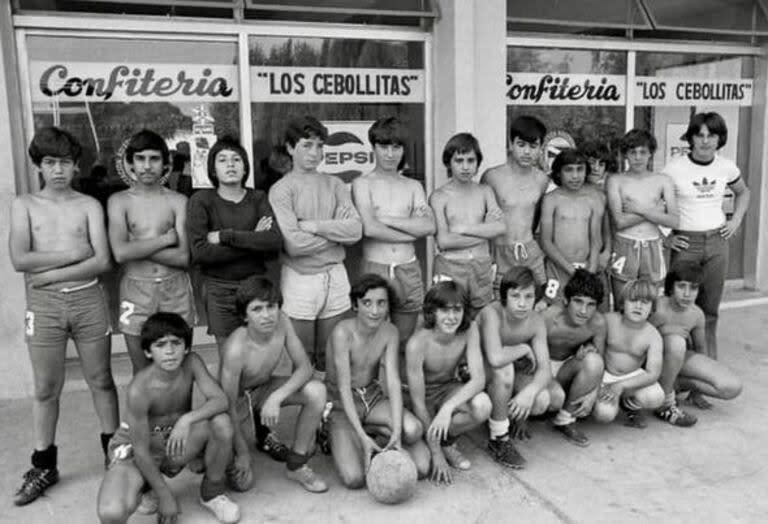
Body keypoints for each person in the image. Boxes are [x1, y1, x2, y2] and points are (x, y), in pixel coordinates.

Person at [9, 127, 118, 506]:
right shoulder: (24, 204)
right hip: (45, 307)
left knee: (102, 379)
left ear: (76, 166)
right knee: (45, 388)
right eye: (50, 162)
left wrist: (51, 272)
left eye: (66, 163)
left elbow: (102, 260)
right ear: (38, 165)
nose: (58, 170)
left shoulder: (88, 204)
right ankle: (43, 464)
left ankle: (114, 455)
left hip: (88, 299)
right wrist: (76, 253)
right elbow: (21, 259)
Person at [96, 313, 240, 524]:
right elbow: (141, 451)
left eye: (176, 343)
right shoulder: (139, 389)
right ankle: (147, 487)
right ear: (148, 351)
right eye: (161, 345)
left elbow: (220, 401)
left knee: (221, 423)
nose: (170, 351)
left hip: (172, 440)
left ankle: (212, 492)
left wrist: (187, 420)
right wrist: (166, 496)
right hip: (135, 451)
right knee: (112, 512)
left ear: (186, 346)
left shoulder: (192, 363)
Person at [268, 116, 363, 375]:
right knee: (302, 357)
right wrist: (335, 233)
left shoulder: (334, 184)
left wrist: (313, 226)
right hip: (300, 278)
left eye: (320, 146)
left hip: (335, 275)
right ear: (290, 147)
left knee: (333, 354)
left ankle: (329, 412)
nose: (315, 152)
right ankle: (307, 411)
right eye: (307, 145)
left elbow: (355, 231)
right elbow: (294, 245)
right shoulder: (281, 189)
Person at [218, 277, 329, 494]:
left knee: (317, 390)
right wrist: (242, 452)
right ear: (244, 316)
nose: (267, 315)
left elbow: (305, 367)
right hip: (236, 402)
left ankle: (297, 464)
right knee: (242, 484)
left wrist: (276, 397)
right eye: (257, 309)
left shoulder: (282, 322)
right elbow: (227, 405)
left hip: (264, 389)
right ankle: (214, 451)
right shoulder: (235, 349)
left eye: (271, 306)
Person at [662, 112, 751, 365]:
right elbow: (655, 202)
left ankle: (706, 372)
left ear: (719, 138)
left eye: (711, 135)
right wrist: (666, 237)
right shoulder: (674, 168)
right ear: (690, 138)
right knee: (679, 308)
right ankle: (679, 373)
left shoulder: (726, 166)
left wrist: (735, 221)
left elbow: (744, 193)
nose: (704, 141)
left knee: (709, 311)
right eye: (699, 135)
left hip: (716, 243)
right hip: (686, 242)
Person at [326, 274, 430, 488]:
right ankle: (345, 433)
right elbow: (344, 387)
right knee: (354, 479)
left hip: (372, 398)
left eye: (381, 303)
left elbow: (392, 381)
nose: (375, 311)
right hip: (341, 404)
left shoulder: (390, 331)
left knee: (417, 448)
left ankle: (379, 432)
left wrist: (398, 434)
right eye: (367, 303)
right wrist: (362, 437)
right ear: (356, 305)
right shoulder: (342, 332)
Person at [107, 129, 193, 374]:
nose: (147, 166)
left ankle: (183, 415)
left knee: (180, 368)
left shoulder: (178, 201)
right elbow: (120, 254)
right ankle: (145, 414)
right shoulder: (119, 201)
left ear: (165, 163)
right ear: (131, 163)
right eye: (140, 159)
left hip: (174, 287)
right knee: (142, 369)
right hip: (136, 288)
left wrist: (138, 246)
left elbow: (183, 257)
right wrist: (166, 239)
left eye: (154, 159)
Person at [352, 117, 435, 344]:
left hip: (407, 267)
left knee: (405, 339)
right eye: (384, 147)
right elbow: (369, 228)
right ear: (373, 148)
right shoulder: (363, 184)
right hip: (374, 267)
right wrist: (411, 233)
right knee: (371, 338)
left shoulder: (413, 186)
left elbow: (429, 226)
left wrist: (387, 219)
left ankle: (402, 380)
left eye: (396, 147)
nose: (390, 154)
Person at [405, 281, 492, 484]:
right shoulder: (418, 343)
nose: (451, 317)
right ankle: (434, 446)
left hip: (448, 389)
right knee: (422, 468)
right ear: (432, 312)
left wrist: (447, 408)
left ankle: (447, 442)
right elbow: (417, 402)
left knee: (482, 405)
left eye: (457, 310)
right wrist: (435, 454)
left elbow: (479, 379)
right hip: (422, 398)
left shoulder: (469, 329)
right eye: (444, 310)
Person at [476, 267, 562, 468]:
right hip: (477, 373)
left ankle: (508, 415)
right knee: (505, 367)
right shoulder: (492, 313)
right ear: (504, 295)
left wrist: (529, 393)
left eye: (528, 296)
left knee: (545, 399)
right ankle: (499, 437)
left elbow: (545, 368)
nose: (522, 303)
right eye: (515, 296)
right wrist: (522, 348)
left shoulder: (536, 321)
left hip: (510, 372)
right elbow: (495, 358)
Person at [649, 261, 742, 425]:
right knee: (676, 342)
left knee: (731, 387)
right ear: (671, 287)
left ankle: (673, 385)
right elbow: (638, 338)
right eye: (681, 286)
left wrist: (696, 391)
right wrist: (655, 322)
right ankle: (665, 404)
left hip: (679, 360)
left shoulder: (696, 314)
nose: (687, 294)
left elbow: (700, 348)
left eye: (693, 288)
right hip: (652, 360)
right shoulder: (658, 305)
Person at [430, 133, 505, 317]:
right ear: (449, 162)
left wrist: (463, 229)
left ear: (477, 162)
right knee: (448, 316)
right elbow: (444, 241)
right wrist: (484, 232)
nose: (465, 166)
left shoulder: (485, 191)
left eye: (471, 160)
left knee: (482, 318)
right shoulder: (439, 196)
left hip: (481, 265)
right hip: (450, 265)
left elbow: (500, 228)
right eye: (459, 160)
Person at [606, 129, 678, 306]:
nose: (638, 157)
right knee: (622, 302)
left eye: (643, 152)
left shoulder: (663, 180)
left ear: (651, 154)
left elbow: (674, 220)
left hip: (652, 245)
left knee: (651, 303)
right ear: (625, 155)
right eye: (632, 152)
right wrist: (655, 211)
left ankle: (649, 334)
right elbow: (620, 221)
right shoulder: (616, 180)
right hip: (624, 244)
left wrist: (640, 210)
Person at [481, 116, 550, 295]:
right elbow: (483, 219)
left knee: (532, 305)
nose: (527, 152)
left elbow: (535, 218)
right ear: (511, 144)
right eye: (521, 145)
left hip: (530, 251)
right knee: (499, 306)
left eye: (533, 146)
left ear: (541, 148)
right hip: (500, 251)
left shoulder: (542, 180)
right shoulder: (492, 177)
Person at [542, 269, 607, 446]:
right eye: (578, 302)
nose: (583, 311)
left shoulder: (598, 323)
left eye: (591, 304)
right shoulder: (549, 318)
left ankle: (565, 419)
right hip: (541, 365)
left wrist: (594, 393)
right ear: (566, 300)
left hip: (565, 369)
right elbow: (529, 352)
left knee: (593, 360)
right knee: (549, 398)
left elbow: (601, 363)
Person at [592, 278, 664, 428]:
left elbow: (653, 374)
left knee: (656, 397)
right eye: (633, 300)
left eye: (645, 302)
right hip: (605, 375)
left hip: (631, 378)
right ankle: (607, 401)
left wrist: (621, 386)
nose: (638, 306)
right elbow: (593, 351)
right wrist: (597, 384)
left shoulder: (653, 335)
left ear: (652, 308)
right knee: (604, 415)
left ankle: (629, 405)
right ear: (622, 303)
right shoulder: (609, 320)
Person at [539, 149, 604, 304]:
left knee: (583, 311)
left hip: (586, 268)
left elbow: (596, 240)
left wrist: (591, 270)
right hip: (558, 267)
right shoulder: (551, 200)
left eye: (580, 169)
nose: (575, 176)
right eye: (569, 170)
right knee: (555, 311)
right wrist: (571, 271)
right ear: (558, 173)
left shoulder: (594, 199)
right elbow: (546, 242)